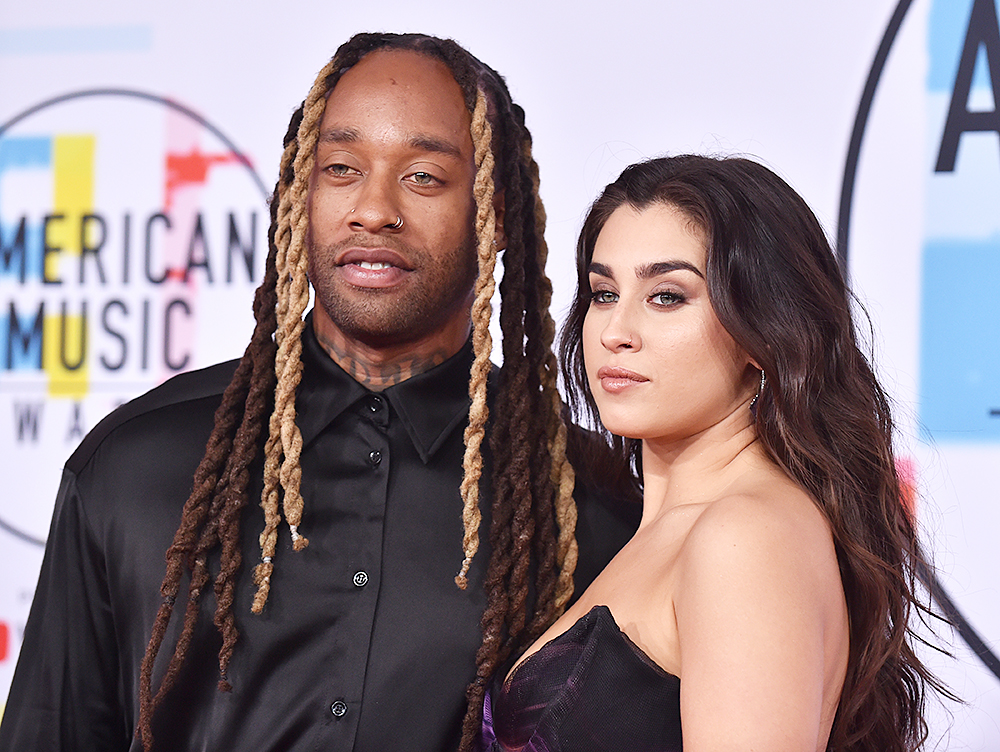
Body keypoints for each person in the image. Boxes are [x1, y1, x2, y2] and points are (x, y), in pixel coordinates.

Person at [0, 33, 639, 752]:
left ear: (494, 217)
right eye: (341, 168)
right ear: (299, 194)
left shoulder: (595, 507)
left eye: (424, 177)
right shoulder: (130, 467)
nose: (373, 209)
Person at [478, 155, 947, 752]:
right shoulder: (671, 528)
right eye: (603, 293)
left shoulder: (744, 534)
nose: (615, 330)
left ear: (764, 328)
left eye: (667, 296)